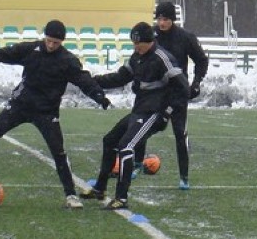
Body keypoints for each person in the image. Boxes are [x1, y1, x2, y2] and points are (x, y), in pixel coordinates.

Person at [0, 20, 111, 209]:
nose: (51, 45)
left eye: (56, 42)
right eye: (49, 40)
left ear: (61, 42)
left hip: (46, 111)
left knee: (59, 152)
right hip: (20, 104)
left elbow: (83, 79)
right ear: (44, 37)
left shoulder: (67, 60)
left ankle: (71, 196)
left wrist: (99, 96)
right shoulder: (31, 49)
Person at [80, 22, 189, 210]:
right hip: (140, 111)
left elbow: (183, 89)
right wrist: (93, 81)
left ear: (149, 41)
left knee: (126, 146)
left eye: (139, 43)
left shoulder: (162, 58)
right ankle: (100, 188)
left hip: (155, 113)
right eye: (134, 43)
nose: (136, 47)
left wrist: (167, 112)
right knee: (110, 140)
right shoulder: (137, 57)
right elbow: (120, 77)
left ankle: (121, 198)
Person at [151, 1, 208, 190]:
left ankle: (184, 177)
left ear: (172, 20)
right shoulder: (151, 35)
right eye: (159, 18)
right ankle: (135, 164)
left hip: (178, 93)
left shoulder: (184, 37)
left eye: (165, 19)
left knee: (179, 134)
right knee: (143, 126)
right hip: (156, 92)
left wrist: (196, 83)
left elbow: (201, 60)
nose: (161, 23)